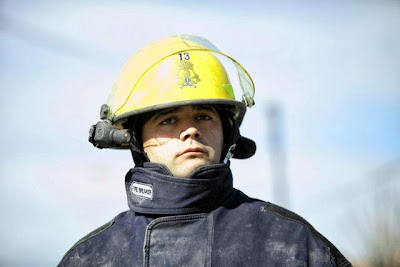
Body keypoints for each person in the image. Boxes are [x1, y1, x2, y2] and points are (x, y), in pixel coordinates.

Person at [58, 35, 352, 266]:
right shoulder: (92, 257)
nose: (191, 130)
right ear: (135, 139)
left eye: (203, 116)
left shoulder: (293, 243)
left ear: (229, 132)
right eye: (169, 119)